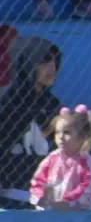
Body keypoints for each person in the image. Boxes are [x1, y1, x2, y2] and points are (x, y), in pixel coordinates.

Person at [0, 36, 63, 208]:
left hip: (48, 195)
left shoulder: (52, 105)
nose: (52, 67)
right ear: (26, 63)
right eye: (43, 62)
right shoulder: (7, 104)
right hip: (11, 195)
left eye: (55, 61)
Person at [29, 103, 91, 210]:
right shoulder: (52, 157)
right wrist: (39, 196)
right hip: (52, 207)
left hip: (78, 209)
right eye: (57, 132)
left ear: (82, 137)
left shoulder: (86, 161)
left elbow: (88, 185)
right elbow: (38, 179)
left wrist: (68, 202)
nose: (60, 137)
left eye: (67, 133)